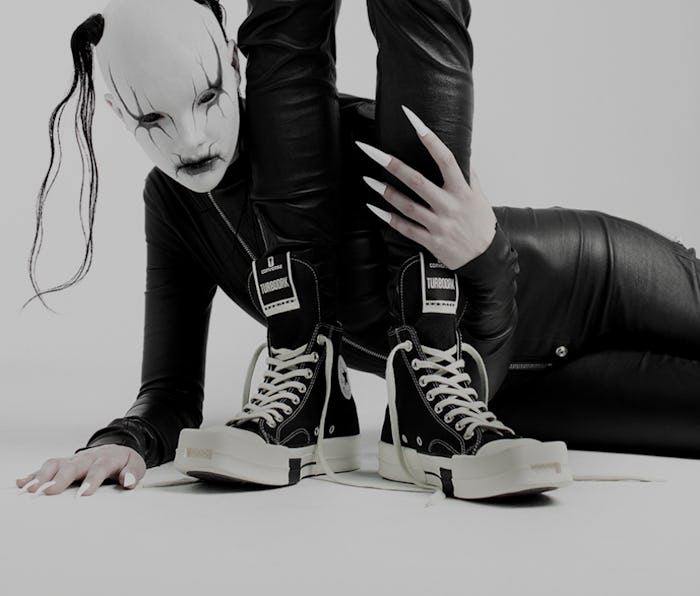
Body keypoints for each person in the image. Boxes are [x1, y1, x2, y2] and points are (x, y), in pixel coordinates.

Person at [16, 0, 700, 499]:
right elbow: (168, 393)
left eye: (207, 95)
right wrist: (123, 442)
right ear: (118, 114)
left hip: (597, 275)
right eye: (152, 117)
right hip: (507, 405)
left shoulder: (338, 139)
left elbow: (457, 311)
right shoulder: (174, 209)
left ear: (234, 58)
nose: (191, 140)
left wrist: (486, 254)